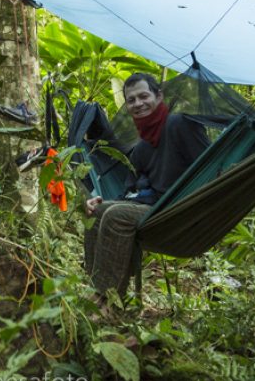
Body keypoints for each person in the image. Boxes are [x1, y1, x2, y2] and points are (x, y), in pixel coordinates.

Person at [83, 72, 209, 298]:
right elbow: (131, 191)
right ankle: (94, 291)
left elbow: (209, 166)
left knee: (115, 216)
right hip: (152, 209)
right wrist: (99, 201)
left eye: (143, 96)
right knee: (97, 212)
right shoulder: (141, 147)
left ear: (159, 96)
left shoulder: (180, 124)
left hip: (181, 211)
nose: (138, 104)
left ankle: (108, 301)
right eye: (131, 100)